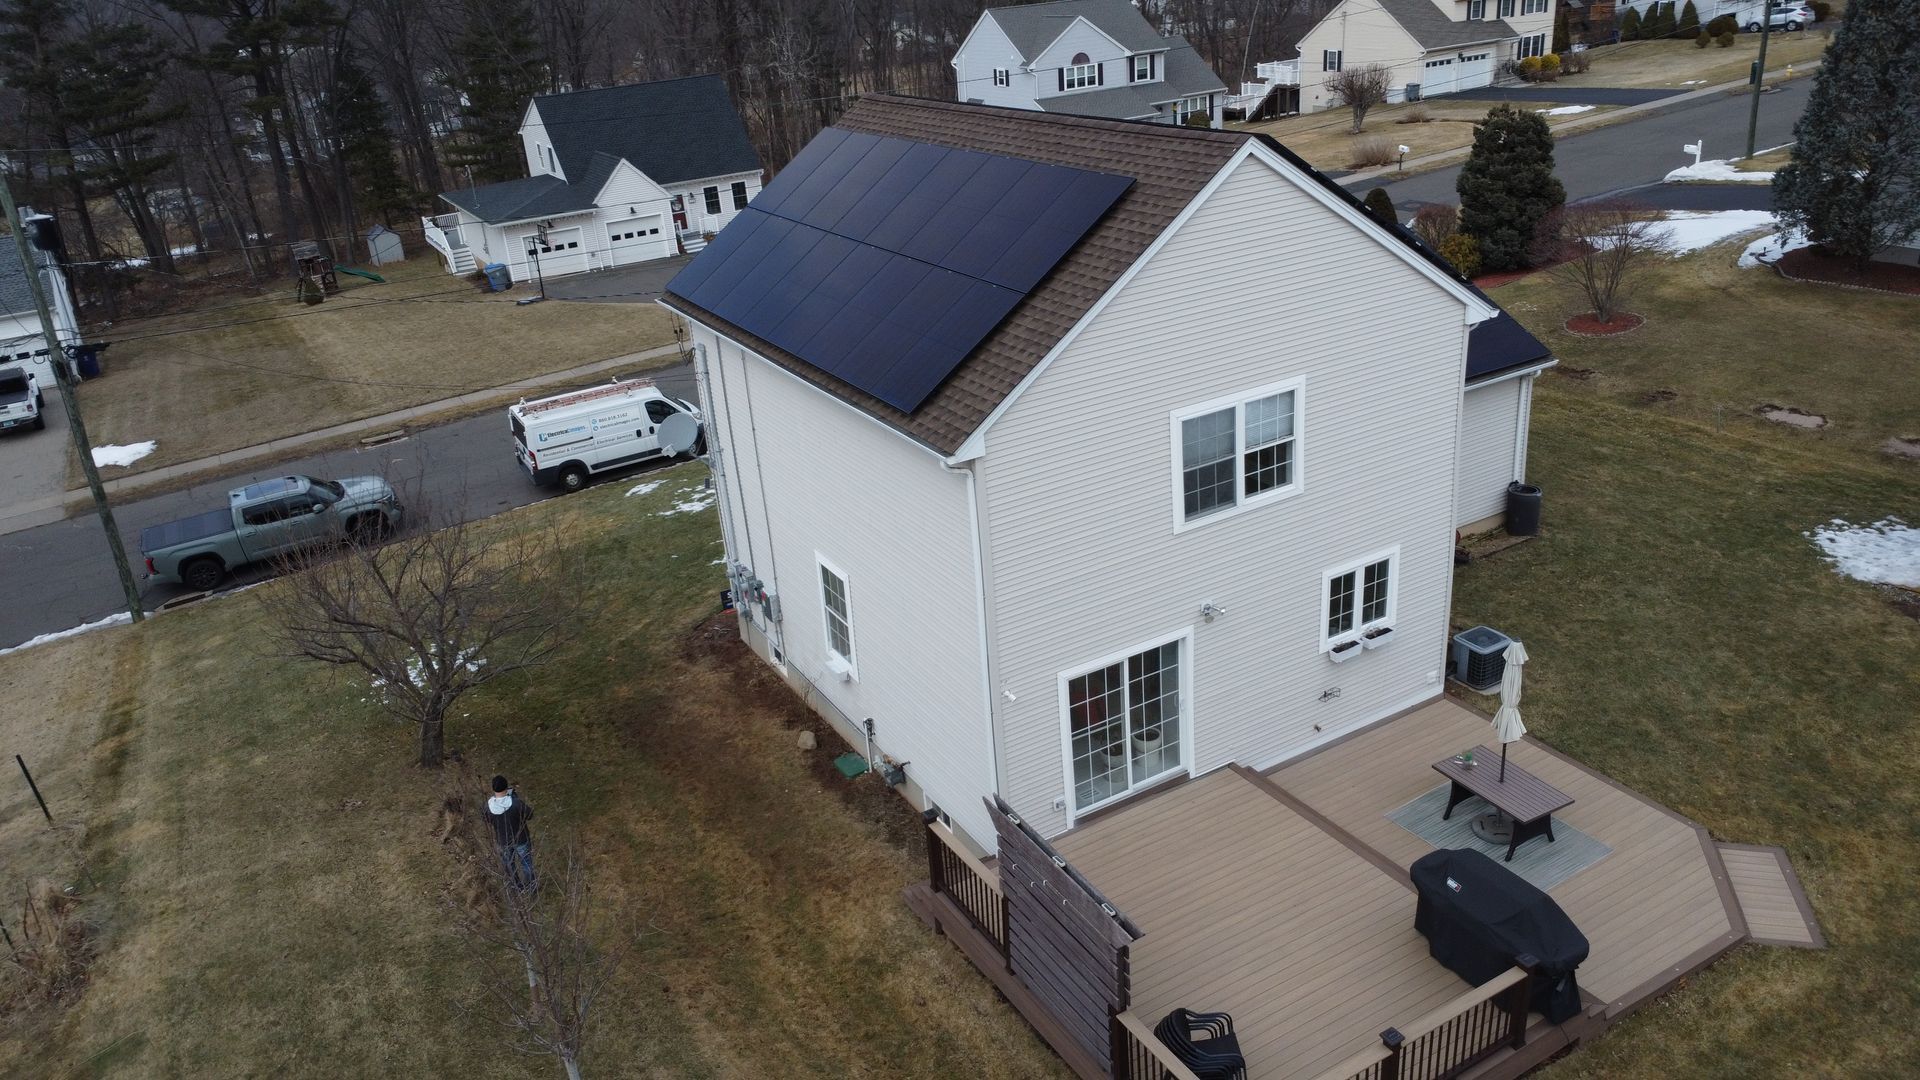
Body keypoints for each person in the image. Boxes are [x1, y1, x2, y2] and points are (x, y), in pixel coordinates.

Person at [487, 775, 536, 892]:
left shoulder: (488, 806)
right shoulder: (516, 803)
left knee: (509, 865)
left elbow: (486, 819)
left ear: (493, 789)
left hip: (503, 841)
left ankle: (515, 886)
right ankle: (532, 887)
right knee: (526, 863)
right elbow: (530, 815)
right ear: (506, 787)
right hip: (521, 839)